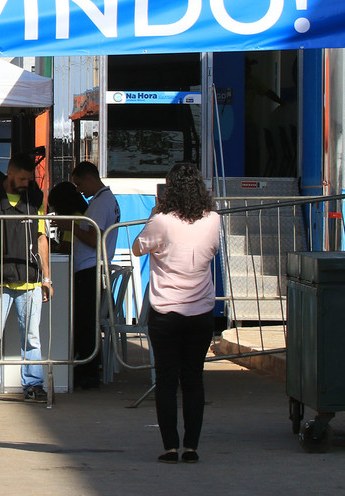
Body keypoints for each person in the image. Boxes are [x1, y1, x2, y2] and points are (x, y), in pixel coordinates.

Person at [131, 163, 220, 464]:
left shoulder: (162, 221)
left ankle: (170, 446)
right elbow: (213, 250)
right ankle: (192, 446)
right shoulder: (213, 220)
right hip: (201, 310)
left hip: (166, 310)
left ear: (170, 188)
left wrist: (155, 216)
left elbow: (137, 248)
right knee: (194, 378)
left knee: (167, 379)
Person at [0, 153, 51, 404]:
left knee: (32, 338)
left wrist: (47, 278)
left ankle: (34, 385)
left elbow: (41, 239)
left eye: (29, 179)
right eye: (22, 178)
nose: (27, 183)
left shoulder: (35, 198)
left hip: (30, 279)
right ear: (9, 172)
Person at [69, 161, 122, 389]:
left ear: (89, 178)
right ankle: (87, 369)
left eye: (79, 185)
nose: (79, 191)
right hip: (92, 267)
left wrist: (71, 227)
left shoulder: (100, 204)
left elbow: (94, 239)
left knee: (86, 323)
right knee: (86, 323)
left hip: (91, 268)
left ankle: (87, 373)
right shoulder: (105, 200)